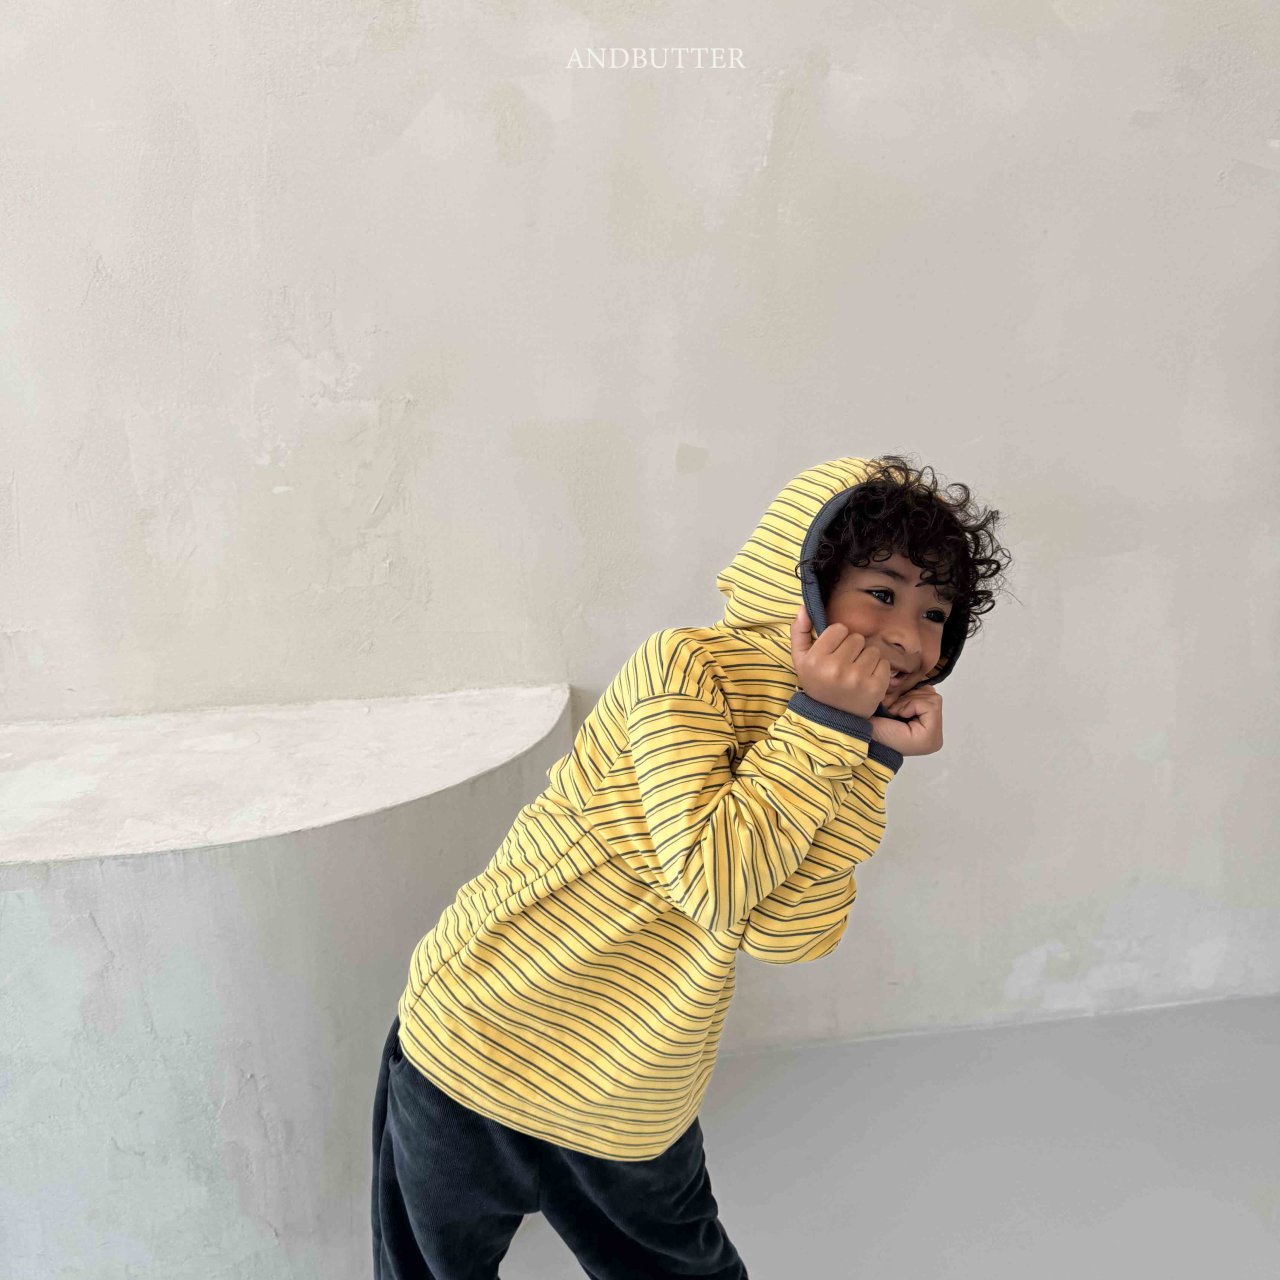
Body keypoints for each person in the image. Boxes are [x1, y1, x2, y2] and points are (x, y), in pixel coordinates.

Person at [371, 453, 1011, 1279]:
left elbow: (790, 934)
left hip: (635, 1088)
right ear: (807, 582)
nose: (908, 637)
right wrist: (827, 727)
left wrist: (869, 755)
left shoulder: (839, 732)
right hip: (480, 1037)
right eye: (882, 594)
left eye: (936, 613)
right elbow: (713, 882)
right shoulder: (685, 667)